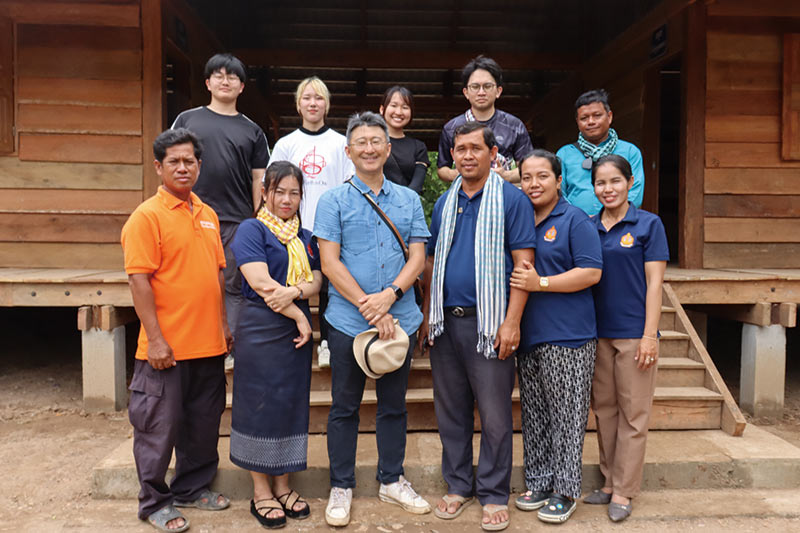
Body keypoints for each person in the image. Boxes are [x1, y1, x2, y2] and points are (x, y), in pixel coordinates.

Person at [314, 111, 432, 527]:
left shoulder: (409, 200)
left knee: (393, 406)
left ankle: (391, 478)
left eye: (375, 142)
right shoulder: (332, 201)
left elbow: (418, 256)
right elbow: (329, 262)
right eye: (360, 142)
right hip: (349, 321)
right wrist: (369, 304)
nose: (368, 148)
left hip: (399, 319)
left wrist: (391, 297)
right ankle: (341, 485)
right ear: (349, 151)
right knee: (344, 406)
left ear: (387, 148)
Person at [421, 122, 536, 532]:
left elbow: (524, 265)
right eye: (460, 149)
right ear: (452, 155)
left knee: (494, 415)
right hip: (445, 325)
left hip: (489, 324)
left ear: (493, 154)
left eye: (475, 148)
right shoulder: (444, 203)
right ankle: (458, 486)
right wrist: (427, 315)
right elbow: (433, 262)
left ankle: (491, 493)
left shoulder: (511, 199)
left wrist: (512, 321)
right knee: (450, 411)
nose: (467, 155)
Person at [121, 128, 233, 533]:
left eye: (189, 161)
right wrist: (155, 339)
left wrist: (222, 324)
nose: (183, 168)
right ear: (158, 167)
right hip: (165, 349)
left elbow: (216, 274)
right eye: (174, 162)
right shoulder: (146, 217)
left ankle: (192, 487)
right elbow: (139, 281)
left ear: (199, 165)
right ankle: (154, 501)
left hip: (207, 345)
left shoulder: (207, 213)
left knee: (203, 421)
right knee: (157, 426)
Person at [508, 150, 602, 523]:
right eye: (527, 177)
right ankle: (540, 480)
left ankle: (565, 489)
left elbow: (591, 272)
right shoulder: (521, 219)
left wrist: (541, 282)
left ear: (559, 180)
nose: (534, 184)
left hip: (569, 336)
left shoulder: (574, 220)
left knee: (567, 416)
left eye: (542, 176)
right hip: (530, 333)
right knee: (535, 414)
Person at [228, 161, 323, 528]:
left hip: (292, 338)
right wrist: (300, 314)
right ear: (265, 192)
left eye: (294, 193)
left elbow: (316, 281)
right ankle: (261, 492)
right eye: (279, 191)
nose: (286, 199)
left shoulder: (306, 236)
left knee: (289, 404)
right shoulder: (251, 230)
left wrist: (298, 294)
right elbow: (260, 281)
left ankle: (283, 486)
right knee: (259, 404)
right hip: (260, 328)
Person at [171, 53, 270, 371]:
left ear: (241, 87)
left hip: (237, 219)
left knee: (233, 285)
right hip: (190, 216)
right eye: (218, 75)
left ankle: (231, 349)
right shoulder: (187, 120)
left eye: (232, 77)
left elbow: (259, 178)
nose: (224, 80)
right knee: (191, 282)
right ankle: (190, 344)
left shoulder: (252, 130)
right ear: (207, 82)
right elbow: (170, 161)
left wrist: (256, 217)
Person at [585, 154, 668, 522]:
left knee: (634, 415)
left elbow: (655, 285)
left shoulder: (648, 224)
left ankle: (625, 489)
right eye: (601, 183)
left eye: (615, 181)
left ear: (630, 183)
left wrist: (650, 335)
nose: (608, 189)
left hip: (635, 334)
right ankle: (607, 481)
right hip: (596, 333)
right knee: (605, 411)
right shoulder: (588, 226)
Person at [269, 76, 355, 368]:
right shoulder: (286, 143)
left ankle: (328, 342)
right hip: (293, 229)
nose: (313, 103)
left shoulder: (341, 144)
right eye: (307, 98)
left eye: (318, 98)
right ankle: (291, 335)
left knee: (330, 286)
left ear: (326, 104)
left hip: (330, 229)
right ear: (298, 104)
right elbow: (272, 187)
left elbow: (350, 188)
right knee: (294, 281)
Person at [437, 55, 533, 184]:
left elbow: (528, 167)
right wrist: (458, 173)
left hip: (503, 195)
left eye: (487, 86)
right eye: (475, 87)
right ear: (466, 92)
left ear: (498, 91)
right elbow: (442, 169)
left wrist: (506, 175)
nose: (481, 92)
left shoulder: (514, 125)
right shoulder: (451, 127)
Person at [556, 89, 644, 215]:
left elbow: (636, 192)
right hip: (576, 225)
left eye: (597, 115)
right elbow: (559, 194)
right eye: (584, 118)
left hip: (619, 225)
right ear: (577, 122)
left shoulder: (630, 151)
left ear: (609, 117)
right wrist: (579, 219)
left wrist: (608, 219)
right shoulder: (564, 154)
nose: (591, 121)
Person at [378, 85, 429, 194]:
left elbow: (416, 186)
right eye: (394, 105)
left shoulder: (418, 147)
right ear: (382, 109)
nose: (399, 112)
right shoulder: (372, 143)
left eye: (405, 107)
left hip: (405, 205)